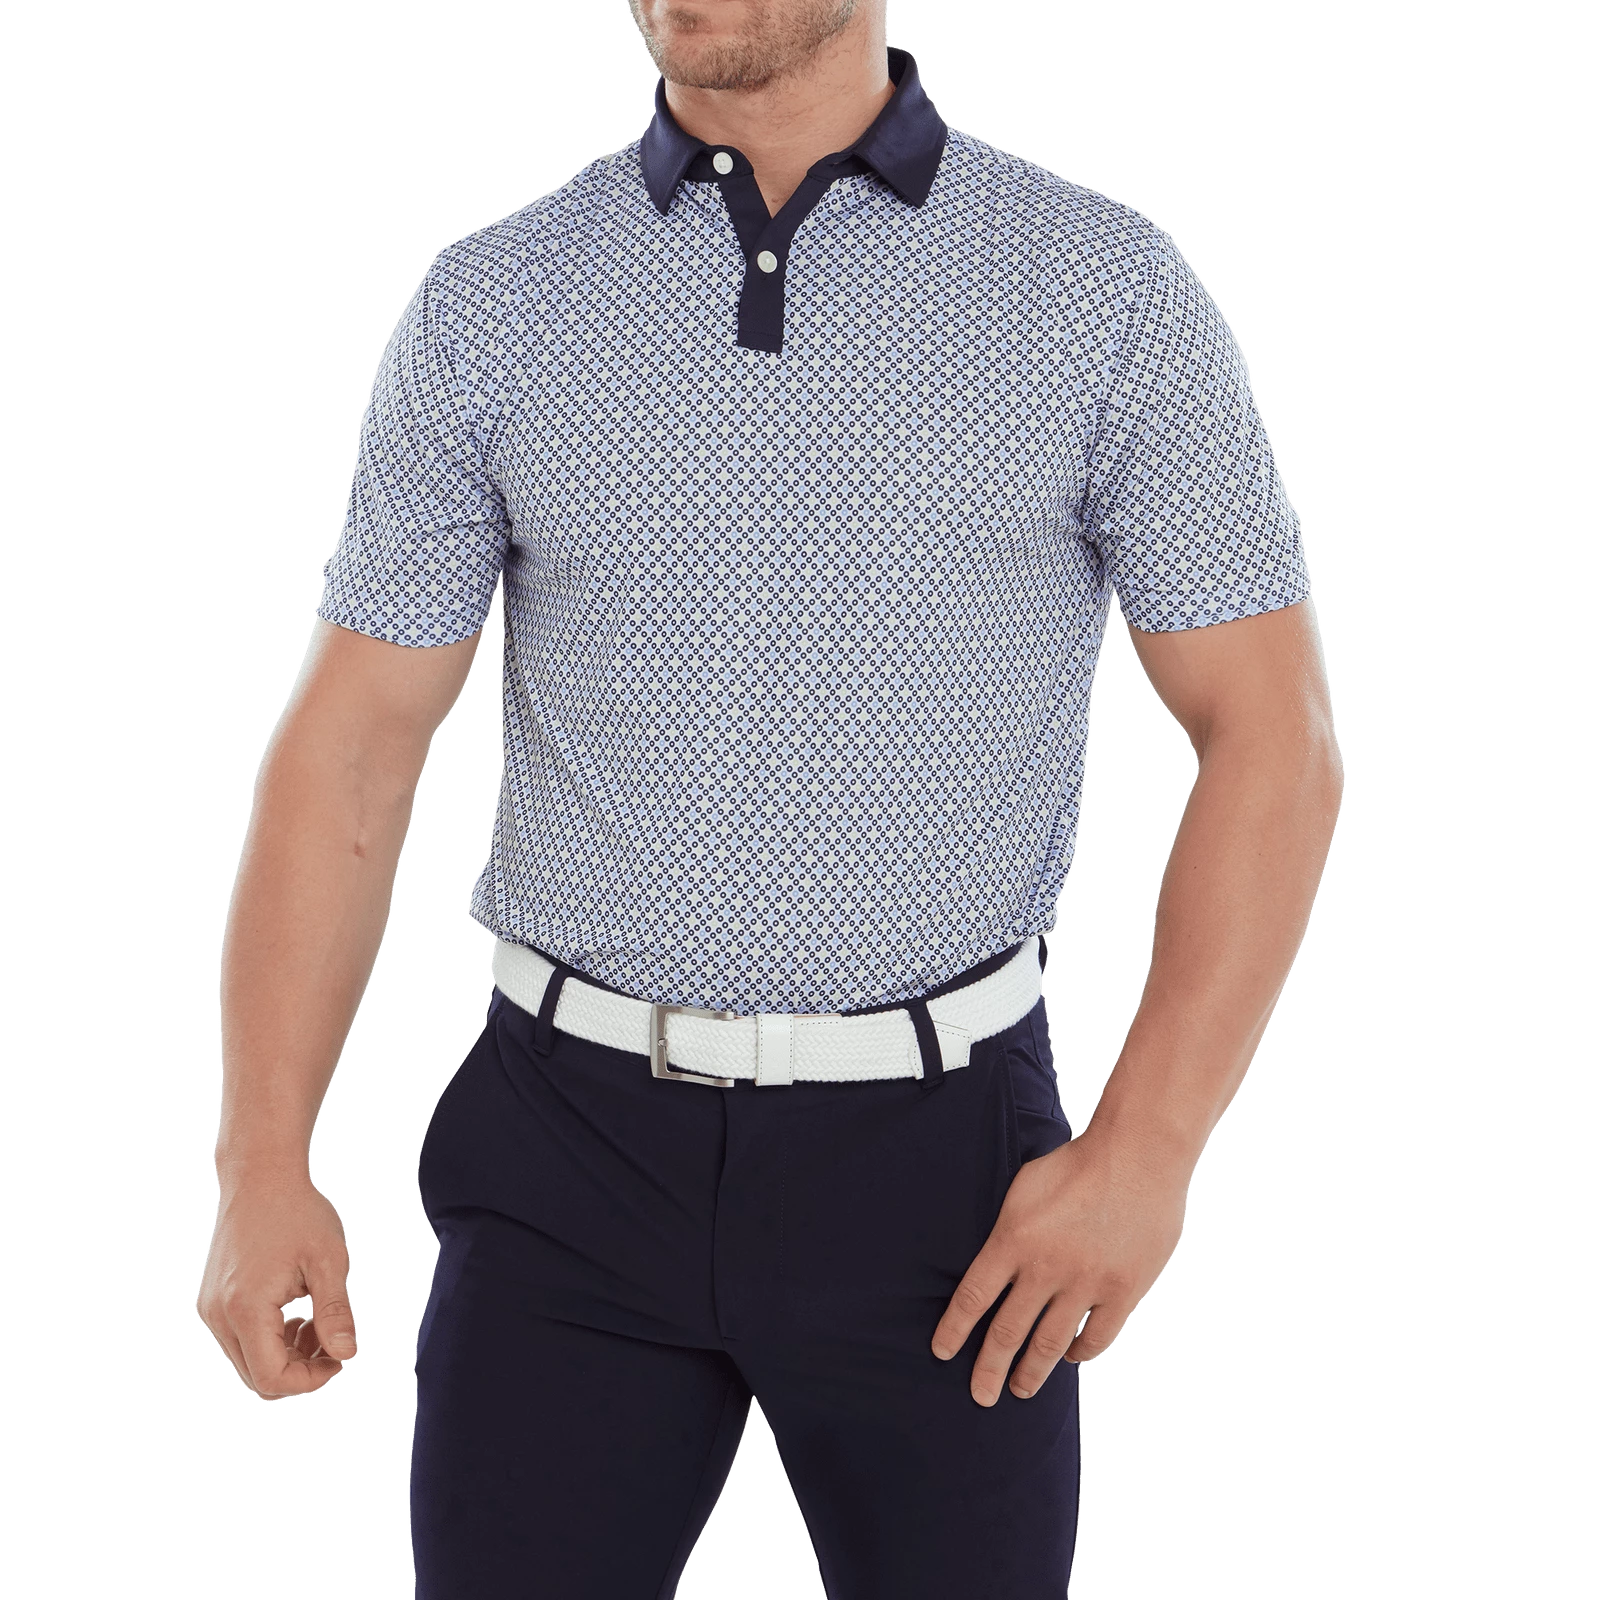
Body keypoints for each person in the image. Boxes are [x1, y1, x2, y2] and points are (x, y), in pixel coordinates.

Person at [198, 2, 1344, 1594]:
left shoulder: (1100, 288)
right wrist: (260, 1157)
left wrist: (1148, 1153)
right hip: (564, 1157)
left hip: (947, 1179)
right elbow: (352, 745)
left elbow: (1269, 735)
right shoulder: (495, 297)